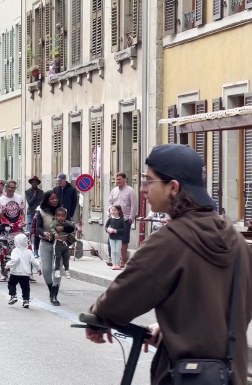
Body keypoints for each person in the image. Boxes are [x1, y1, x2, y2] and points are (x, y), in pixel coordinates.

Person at [86, 144, 252, 385]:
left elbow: (120, 299)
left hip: (185, 375)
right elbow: (224, 306)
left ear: (173, 187)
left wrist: (97, 317)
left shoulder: (170, 241)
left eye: (149, 181)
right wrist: (171, 328)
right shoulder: (236, 241)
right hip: (230, 375)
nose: (143, 189)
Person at [0, 179, 25, 282]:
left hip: (17, 227)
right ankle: (4, 273)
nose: (12, 189)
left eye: (14, 187)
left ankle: (20, 272)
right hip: (5, 228)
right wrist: (1, 212)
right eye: (10, 187)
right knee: (4, 251)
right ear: (6, 187)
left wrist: (23, 222)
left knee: (19, 250)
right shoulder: (0, 200)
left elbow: (22, 212)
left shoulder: (19, 198)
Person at [36, 190, 63, 306]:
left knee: (57, 269)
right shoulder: (41, 212)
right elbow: (38, 228)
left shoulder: (63, 211)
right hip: (46, 243)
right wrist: (44, 233)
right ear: (47, 200)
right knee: (46, 270)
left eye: (56, 198)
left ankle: (54, 295)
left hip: (60, 244)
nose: (54, 200)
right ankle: (51, 289)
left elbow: (70, 225)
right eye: (52, 199)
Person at [107, 172, 138, 268]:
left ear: (125, 179)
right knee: (111, 238)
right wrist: (110, 212)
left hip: (125, 219)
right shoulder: (114, 190)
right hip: (114, 219)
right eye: (116, 180)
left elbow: (134, 205)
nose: (118, 181)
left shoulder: (130, 191)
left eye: (119, 179)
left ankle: (122, 260)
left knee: (123, 240)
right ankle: (111, 258)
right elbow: (110, 202)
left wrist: (131, 219)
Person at [6, 234, 41, 308]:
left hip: (15, 272)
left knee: (11, 284)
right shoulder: (29, 252)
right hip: (25, 273)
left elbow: (15, 260)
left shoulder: (15, 251)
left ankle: (13, 296)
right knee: (25, 287)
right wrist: (38, 268)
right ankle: (26, 300)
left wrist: (8, 265)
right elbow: (34, 261)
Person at [50, 207, 76, 279]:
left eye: (62, 216)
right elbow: (51, 228)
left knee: (66, 257)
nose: (60, 217)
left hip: (65, 243)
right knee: (57, 257)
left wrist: (77, 227)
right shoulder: (55, 223)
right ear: (56, 216)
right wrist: (55, 233)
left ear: (65, 216)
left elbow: (72, 224)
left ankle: (67, 270)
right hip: (58, 243)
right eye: (59, 216)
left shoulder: (66, 222)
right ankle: (57, 270)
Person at [105, 204, 126, 271]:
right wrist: (108, 230)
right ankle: (114, 264)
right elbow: (106, 227)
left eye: (115, 210)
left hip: (119, 238)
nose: (113, 212)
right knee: (113, 251)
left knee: (118, 251)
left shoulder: (121, 220)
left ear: (118, 211)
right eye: (112, 210)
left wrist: (117, 231)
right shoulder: (110, 219)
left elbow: (124, 228)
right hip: (111, 237)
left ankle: (118, 264)